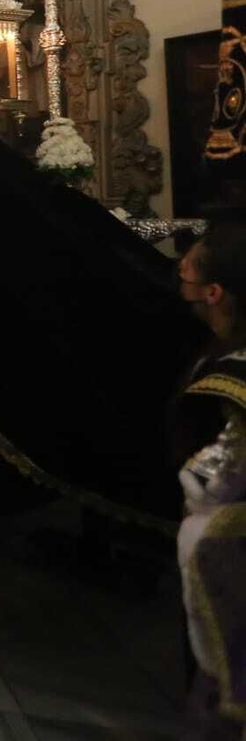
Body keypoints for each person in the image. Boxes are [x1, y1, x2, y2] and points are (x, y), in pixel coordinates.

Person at [173, 224, 246, 737]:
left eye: (184, 275)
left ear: (214, 293)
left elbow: (211, 479)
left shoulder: (230, 378)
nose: (181, 287)